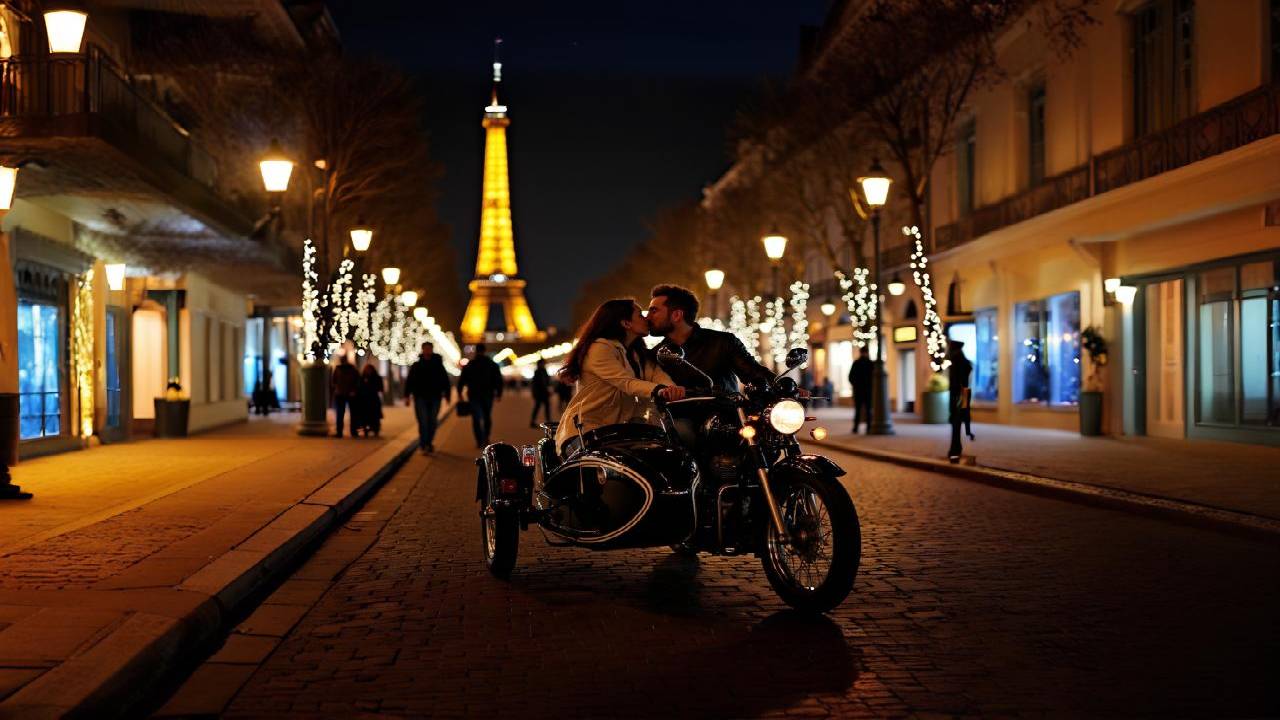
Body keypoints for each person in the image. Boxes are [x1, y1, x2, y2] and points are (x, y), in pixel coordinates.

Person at [555, 299, 685, 455]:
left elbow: (656, 373)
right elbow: (625, 382)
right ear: (626, 323)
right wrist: (660, 390)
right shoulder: (600, 348)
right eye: (640, 315)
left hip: (620, 431)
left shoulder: (635, 352)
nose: (647, 318)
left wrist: (672, 388)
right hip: (588, 432)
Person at [647, 284, 774, 392]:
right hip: (676, 420)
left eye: (654, 311)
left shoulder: (722, 342)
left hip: (727, 417)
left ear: (676, 315)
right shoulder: (655, 355)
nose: (647, 317)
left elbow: (754, 373)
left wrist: (784, 386)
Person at [404, 341, 452, 453]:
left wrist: (447, 395)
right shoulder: (417, 365)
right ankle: (424, 444)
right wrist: (407, 396)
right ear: (422, 349)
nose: (427, 351)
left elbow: (445, 381)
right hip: (420, 397)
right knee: (423, 421)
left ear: (431, 349)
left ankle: (429, 442)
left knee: (432, 421)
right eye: (425, 348)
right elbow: (410, 381)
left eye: (429, 348)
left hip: (435, 397)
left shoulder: (438, 365)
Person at [459, 343, 503, 448]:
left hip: (474, 395)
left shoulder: (470, 364)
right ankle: (486, 437)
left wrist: (460, 392)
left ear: (476, 351)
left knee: (476, 418)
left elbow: (462, 379)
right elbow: (498, 380)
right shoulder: (492, 364)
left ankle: (479, 440)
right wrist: (499, 393)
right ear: (485, 351)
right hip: (488, 394)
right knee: (487, 416)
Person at [947, 340, 974, 463]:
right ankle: (956, 448)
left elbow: (955, 383)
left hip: (959, 395)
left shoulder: (956, 361)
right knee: (958, 421)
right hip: (963, 393)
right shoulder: (963, 362)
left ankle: (955, 451)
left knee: (956, 422)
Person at [330, 353, 360, 438]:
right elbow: (357, 380)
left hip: (342, 393)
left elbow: (333, 381)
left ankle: (341, 432)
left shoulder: (339, 369)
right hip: (347, 394)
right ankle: (352, 432)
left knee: (342, 413)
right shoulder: (352, 369)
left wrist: (337, 388)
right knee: (349, 414)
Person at [848, 346, 874, 434]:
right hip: (868, 391)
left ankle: (855, 428)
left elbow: (850, 377)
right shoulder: (870, 363)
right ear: (867, 352)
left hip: (858, 391)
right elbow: (874, 378)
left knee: (858, 410)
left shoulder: (856, 363)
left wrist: (855, 385)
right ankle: (869, 428)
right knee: (868, 409)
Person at [356, 362, 385, 437]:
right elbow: (359, 388)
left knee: (374, 416)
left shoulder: (377, 378)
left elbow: (380, 388)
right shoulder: (362, 378)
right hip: (364, 400)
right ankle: (366, 430)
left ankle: (375, 429)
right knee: (365, 416)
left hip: (373, 400)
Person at [530, 358, 552, 428]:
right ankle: (532, 421)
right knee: (538, 407)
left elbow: (547, 381)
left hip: (544, 393)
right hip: (539, 393)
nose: (544, 364)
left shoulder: (544, 371)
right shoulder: (537, 372)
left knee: (546, 407)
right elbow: (536, 384)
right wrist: (535, 393)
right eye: (543, 363)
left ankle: (548, 421)